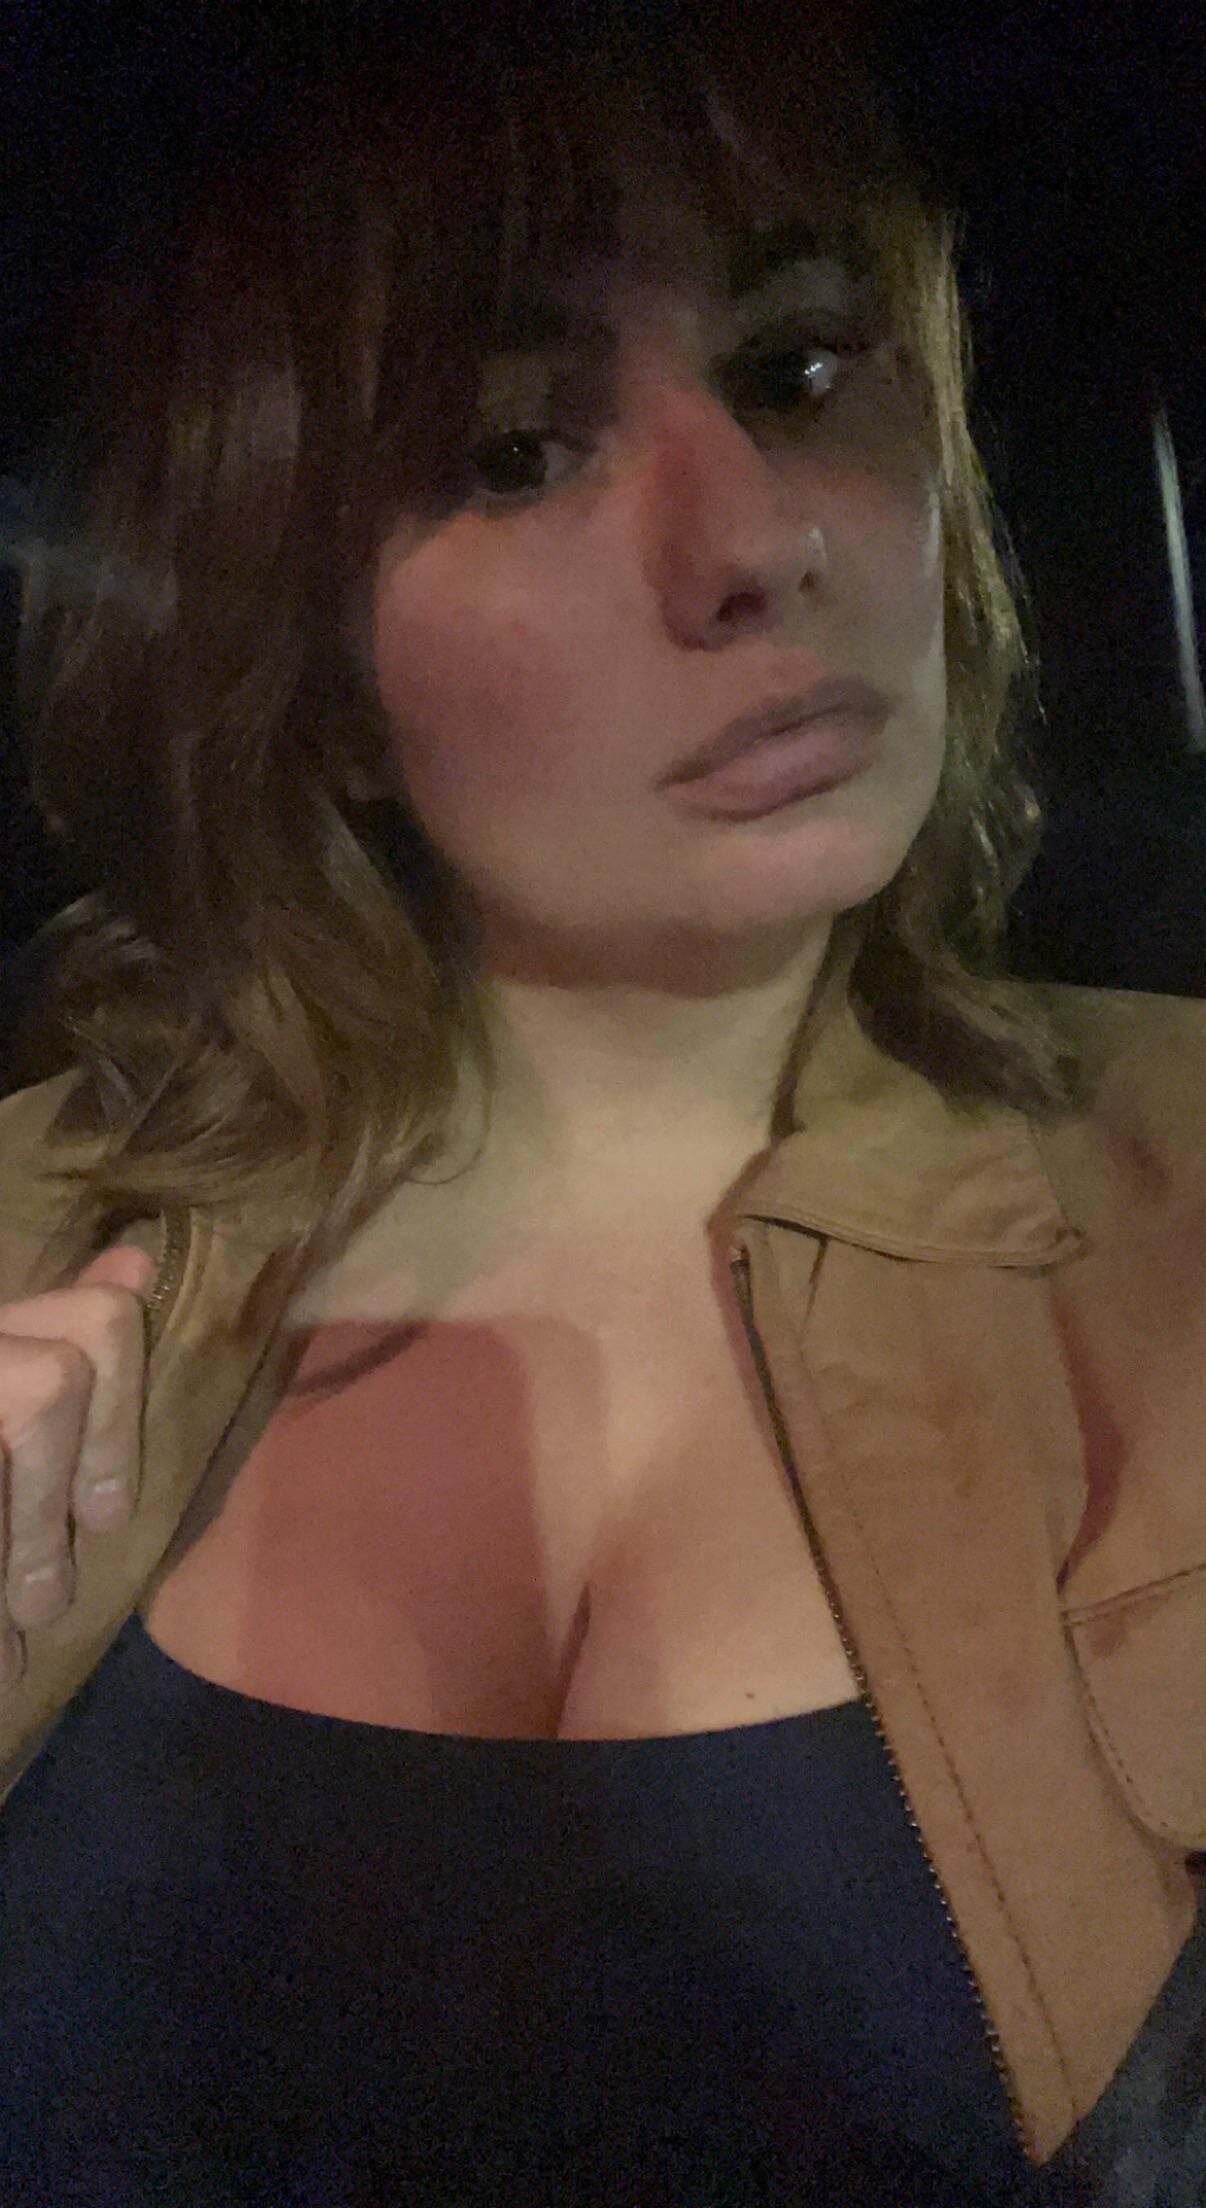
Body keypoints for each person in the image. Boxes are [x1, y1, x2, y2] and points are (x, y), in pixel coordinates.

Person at [0, 8, 1203, 2202]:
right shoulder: (24, 1234)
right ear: (317, 682)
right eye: (509, 452)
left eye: (800, 369)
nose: (757, 539)